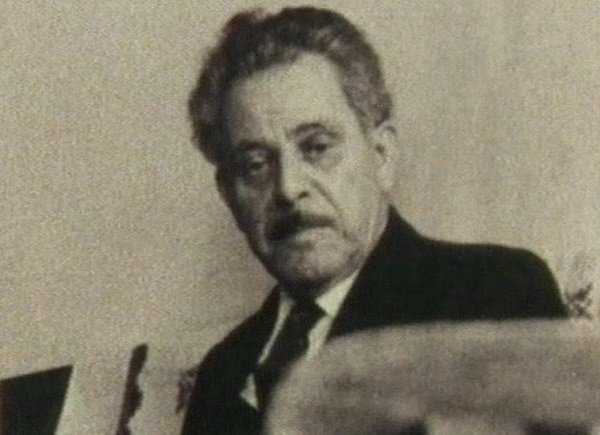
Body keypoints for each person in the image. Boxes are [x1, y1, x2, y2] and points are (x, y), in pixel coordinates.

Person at [181, 6, 566, 434]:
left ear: (382, 156)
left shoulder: (491, 295)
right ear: (229, 195)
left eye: (316, 147)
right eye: (255, 164)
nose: (288, 188)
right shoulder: (222, 373)